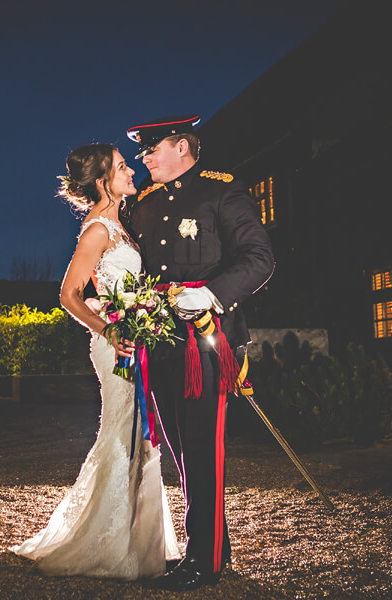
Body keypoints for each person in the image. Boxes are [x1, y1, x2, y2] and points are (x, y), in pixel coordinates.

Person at [11, 143, 181, 580]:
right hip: (116, 344)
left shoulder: (121, 225)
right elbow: (68, 296)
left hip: (134, 338)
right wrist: (110, 329)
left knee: (137, 437)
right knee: (121, 435)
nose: (131, 171)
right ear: (104, 180)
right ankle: (105, 543)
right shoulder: (97, 231)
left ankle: (138, 540)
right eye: (123, 167)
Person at [124, 115, 275, 591]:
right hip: (159, 341)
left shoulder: (221, 192)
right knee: (182, 450)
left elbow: (259, 258)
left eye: (152, 149)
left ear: (183, 147)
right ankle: (211, 550)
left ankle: (204, 562)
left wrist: (211, 294)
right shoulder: (141, 205)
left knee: (203, 449)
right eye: (142, 151)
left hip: (205, 342)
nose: (143, 158)